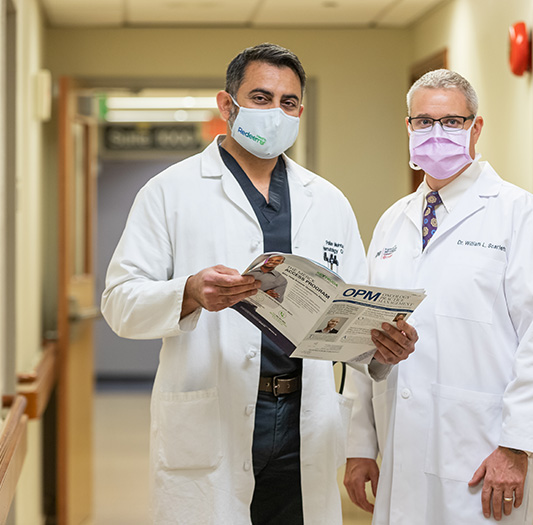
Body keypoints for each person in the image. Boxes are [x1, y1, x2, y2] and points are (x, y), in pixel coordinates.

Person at [101, 43, 417, 525]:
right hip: (213, 415)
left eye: (288, 103)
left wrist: (381, 347)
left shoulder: (327, 200)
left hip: (302, 418)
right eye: (261, 98)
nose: (275, 113)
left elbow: (353, 311)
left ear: (300, 113)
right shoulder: (169, 191)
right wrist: (188, 292)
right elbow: (119, 303)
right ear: (227, 105)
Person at [344, 69, 533, 524]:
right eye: (424, 122)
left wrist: (515, 446)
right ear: (408, 127)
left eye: (451, 122)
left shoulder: (519, 214)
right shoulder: (393, 222)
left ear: (476, 128)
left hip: (483, 452)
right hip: (401, 443)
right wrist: (360, 444)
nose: (436, 133)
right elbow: (365, 333)